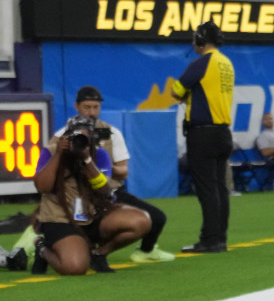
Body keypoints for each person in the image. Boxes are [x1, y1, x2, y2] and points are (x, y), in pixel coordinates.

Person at [51, 85, 174, 263]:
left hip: (109, 192)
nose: (92, 112)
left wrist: (102, 164)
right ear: (76, 106)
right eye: (87, 107)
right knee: (60, 224)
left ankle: (136, 251)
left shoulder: (111, 133)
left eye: (96, 107)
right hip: (76, 195)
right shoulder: (62, 136)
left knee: (157, 218)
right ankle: (44, 245)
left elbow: (124, 172)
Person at [31, 116, 152, 275]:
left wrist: (87, 159)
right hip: (61, 218)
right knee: (75, 268)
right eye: (75, 137)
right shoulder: (51, 151)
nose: (79, 142)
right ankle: (42, 248)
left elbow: (104, 190)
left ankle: (98, 254)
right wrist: (59, 154)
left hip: (91, 214)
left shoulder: (98, 154)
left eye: (84, 138)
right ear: (66, 136)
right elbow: (42, 187)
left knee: (141, 221)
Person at [171, 21, 235, 254]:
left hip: (203, 134)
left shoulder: (202, 63)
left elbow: (175, 91)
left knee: (207, 189)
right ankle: (220, 238)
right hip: (223, 133)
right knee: (219, 188)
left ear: (199, 39)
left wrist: (188, 93)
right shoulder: (226, 63)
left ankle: (209, 239)